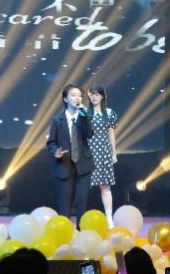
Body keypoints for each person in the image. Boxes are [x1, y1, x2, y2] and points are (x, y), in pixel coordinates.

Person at [45, 84, 94, 218]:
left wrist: (84, 115)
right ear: (65, 99)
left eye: (79, 96)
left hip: (83, 165)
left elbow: (89, 134)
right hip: (64, 164)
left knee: (82, 201)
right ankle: (65, 229)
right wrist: (55, 152)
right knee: (64, 204)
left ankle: (81, 229)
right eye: (73, 95)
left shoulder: (84, 116)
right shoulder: (57, 120)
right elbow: (51, 142)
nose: (77, 98)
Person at [86, 84, 118, 228]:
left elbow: (111, 133)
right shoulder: (84, 113)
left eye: (97, 94)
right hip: (88, 152)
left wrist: (113, 153)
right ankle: (81, 217)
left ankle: (109, 219)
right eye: (92, 94)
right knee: (83, 186)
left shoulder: (109, 113)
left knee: (105, 187)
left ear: (103, 96)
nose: (94, 97)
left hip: (104, 152)